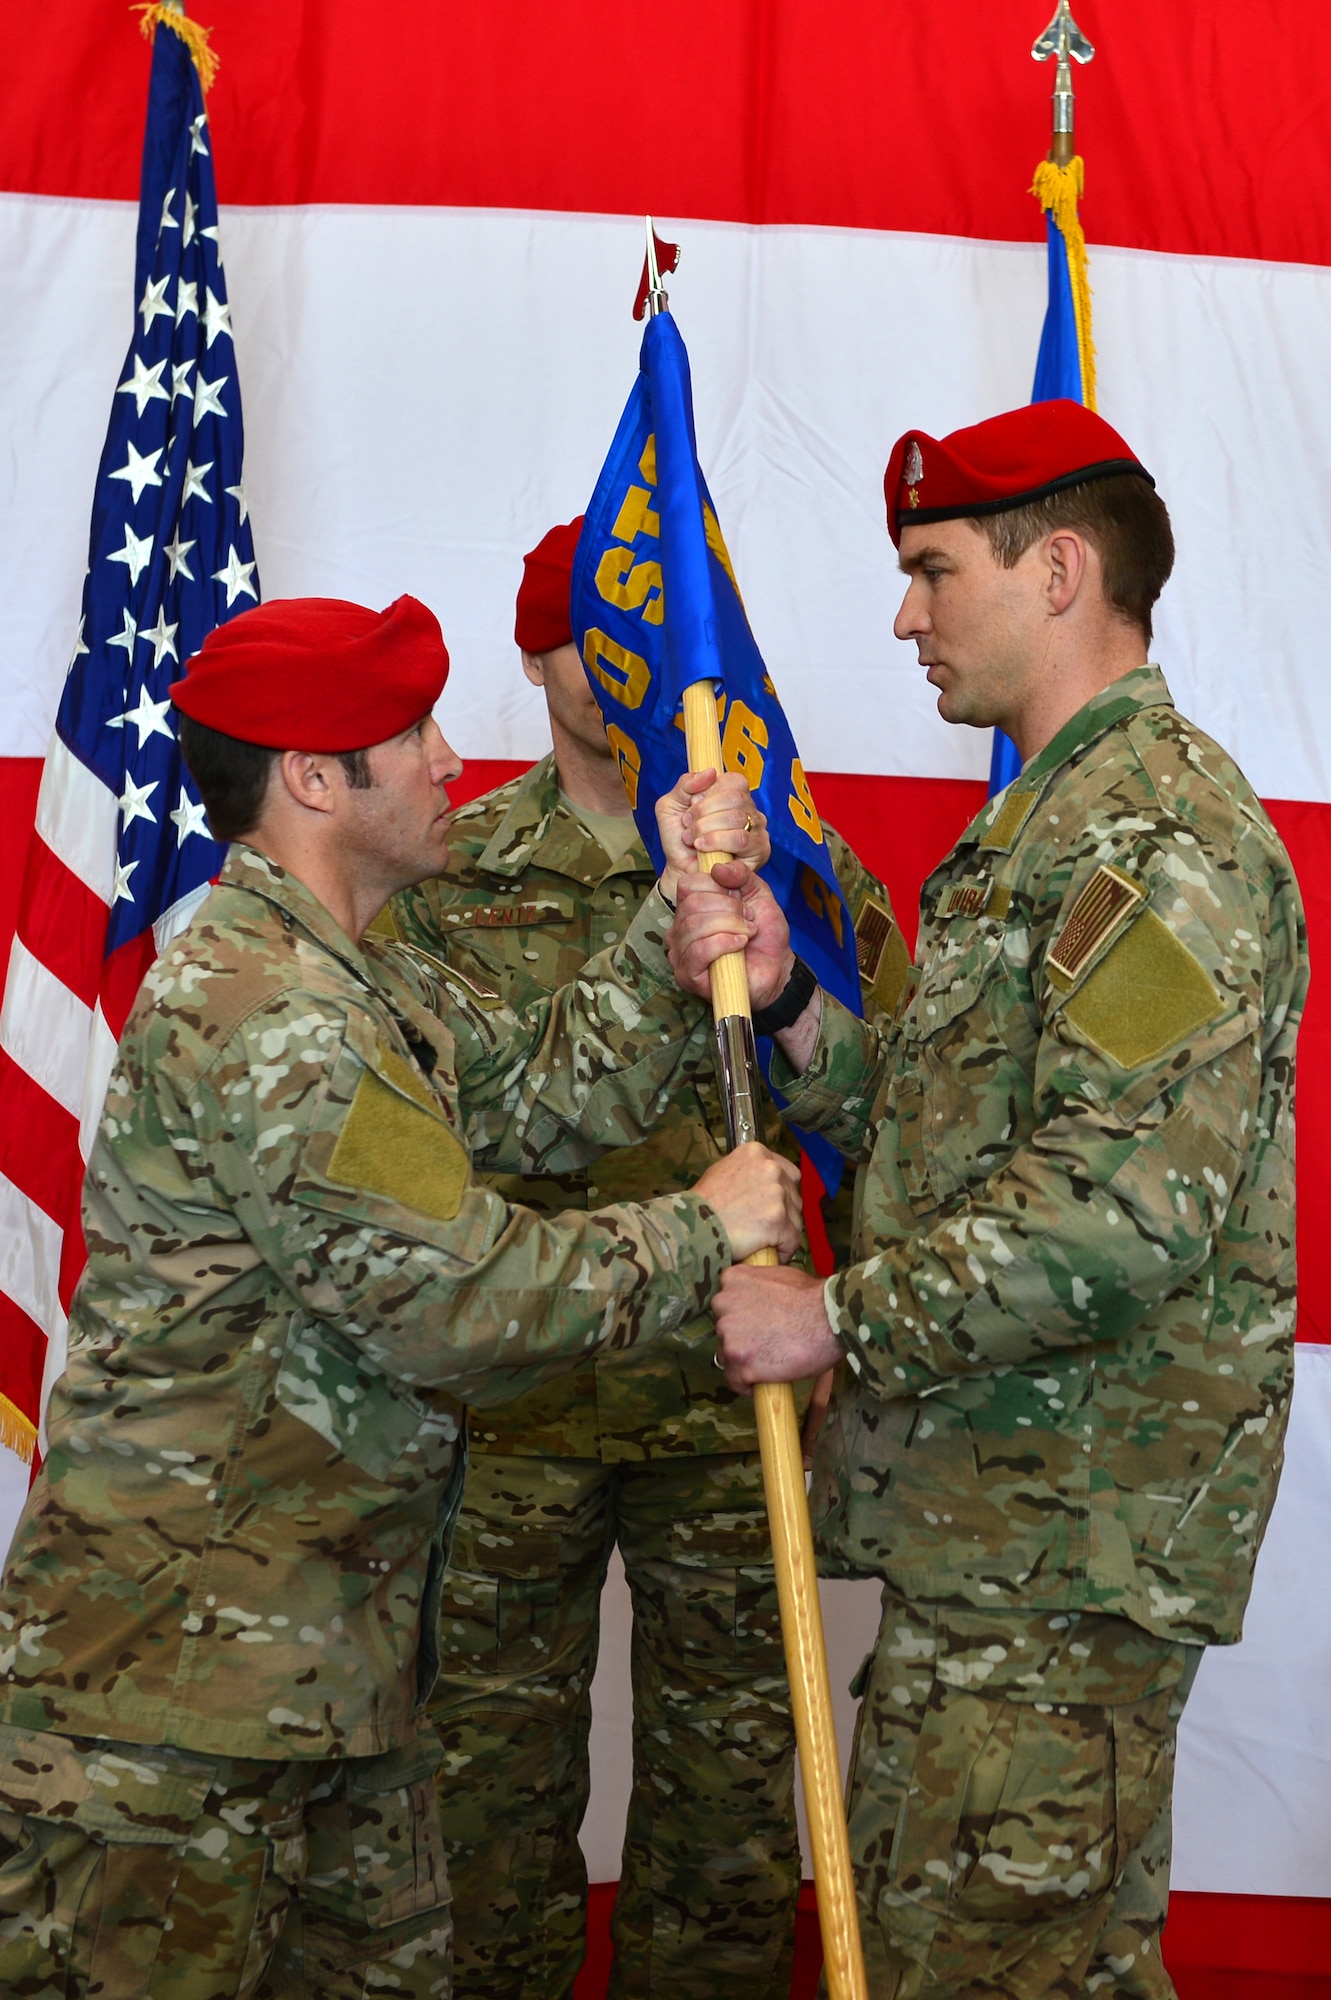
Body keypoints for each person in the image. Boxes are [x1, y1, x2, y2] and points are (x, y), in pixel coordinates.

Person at [0, 593, 802, 1999]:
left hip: (325, 1679)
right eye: (411, 734)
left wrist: (674, 918)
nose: (452, 759)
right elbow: (452, 1298)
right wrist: (701, 1228)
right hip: (175, 1705)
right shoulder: (270, 1014)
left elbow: (532, 1090)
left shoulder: (352, 990)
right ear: (313, 781)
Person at [669, 402, 1309, 1998]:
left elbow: (1123, 1210)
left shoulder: (1159, 842)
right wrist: (791, 1002)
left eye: (933, 571)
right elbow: (937, 1135)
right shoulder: (1047, 830)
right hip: (999, 1536)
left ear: (1060, 571)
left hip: (1061, 1545)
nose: (902, 616)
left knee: (984, 1969)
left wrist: (831, 1318)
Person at [385, 520, 905, 2000]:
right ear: (535, 657)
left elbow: (890, 1118)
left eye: (650, 643)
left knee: (730, 1834)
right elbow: (429, 1147)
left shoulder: (797, 860)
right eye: (585, 643)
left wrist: (851, 1346)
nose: (620, 673)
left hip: (726, 1416)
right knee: (481, 1816)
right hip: (510, 1415)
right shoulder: (452, 876)